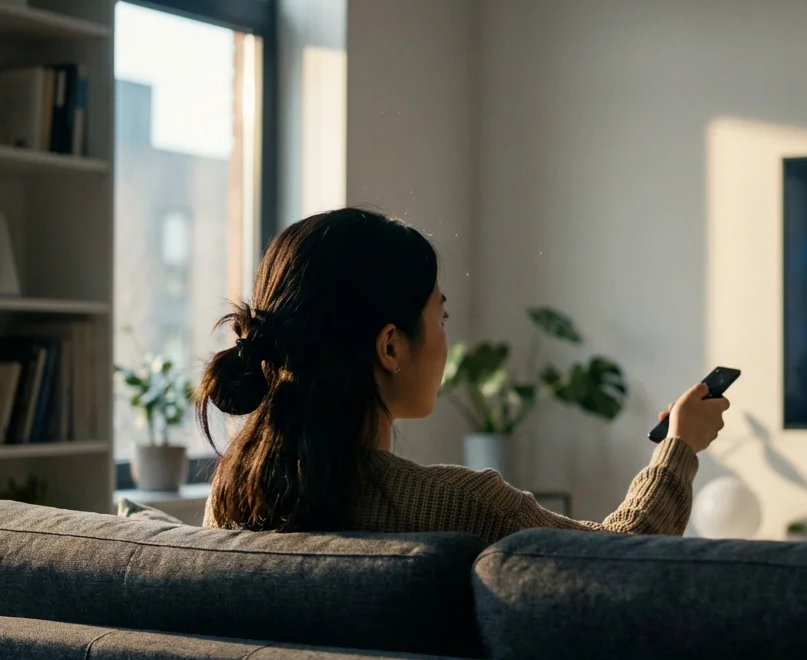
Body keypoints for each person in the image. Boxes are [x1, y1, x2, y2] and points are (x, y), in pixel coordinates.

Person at [198, 207, 728, 542]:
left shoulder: (231, 500)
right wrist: (679, 447)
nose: (446, 338)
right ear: (390, 346)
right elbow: (622, 561)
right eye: (440, 318)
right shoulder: (459, 506)